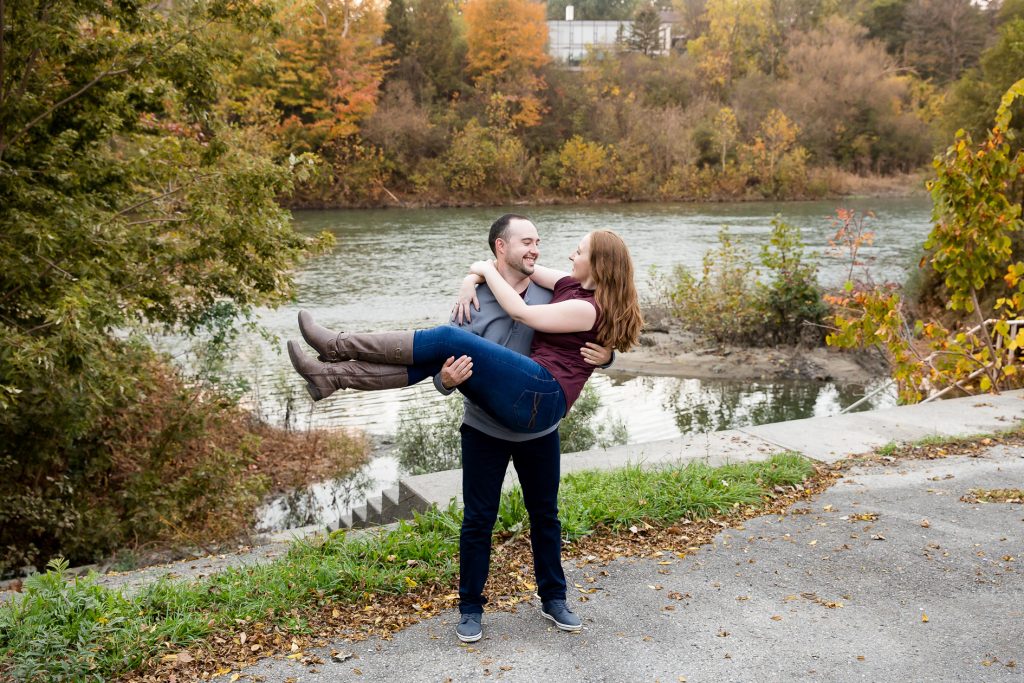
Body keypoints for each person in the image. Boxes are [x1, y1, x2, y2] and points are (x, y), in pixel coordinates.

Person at [432, 215, 613, 642]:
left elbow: (583, 340)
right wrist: (446, 382)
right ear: (501, 247)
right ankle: (470, 608)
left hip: (538, 431)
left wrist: (608, 358)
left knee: (545, 516)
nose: (535, 250)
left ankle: (554, 598)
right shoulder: (471, 301)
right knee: (478, 520)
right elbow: (439, 370)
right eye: (526, 243)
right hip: (483, 428)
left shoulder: (553, 289)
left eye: (537, 243)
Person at [287, 228, 642, 439]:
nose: (570, 255)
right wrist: (473, 276)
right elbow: (525, 269)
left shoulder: (586, 308)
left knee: (446, 338)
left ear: (598, 264)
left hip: (543, 396)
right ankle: (332, 376)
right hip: (531, 389)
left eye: (579, 252)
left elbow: (522, 312)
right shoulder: (570, 285)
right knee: (446, 354)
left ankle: (335, 345)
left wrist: (486, 272)